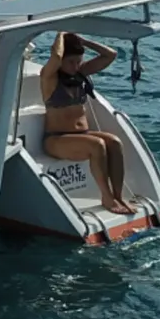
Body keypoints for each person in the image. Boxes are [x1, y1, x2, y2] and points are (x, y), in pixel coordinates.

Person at [40, 32, 137, 216]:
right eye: (71, 62)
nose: (75, 66)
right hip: (56, 139)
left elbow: (110, 55)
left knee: (114, 142)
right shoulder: (49, 77)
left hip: (82, 136)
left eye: (78, 62)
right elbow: (56, 56)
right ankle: (106, 197)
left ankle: (118, 195)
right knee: (98, 144)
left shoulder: (80, 73)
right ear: (61, 61)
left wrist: (83, 41)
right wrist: (61, 33)